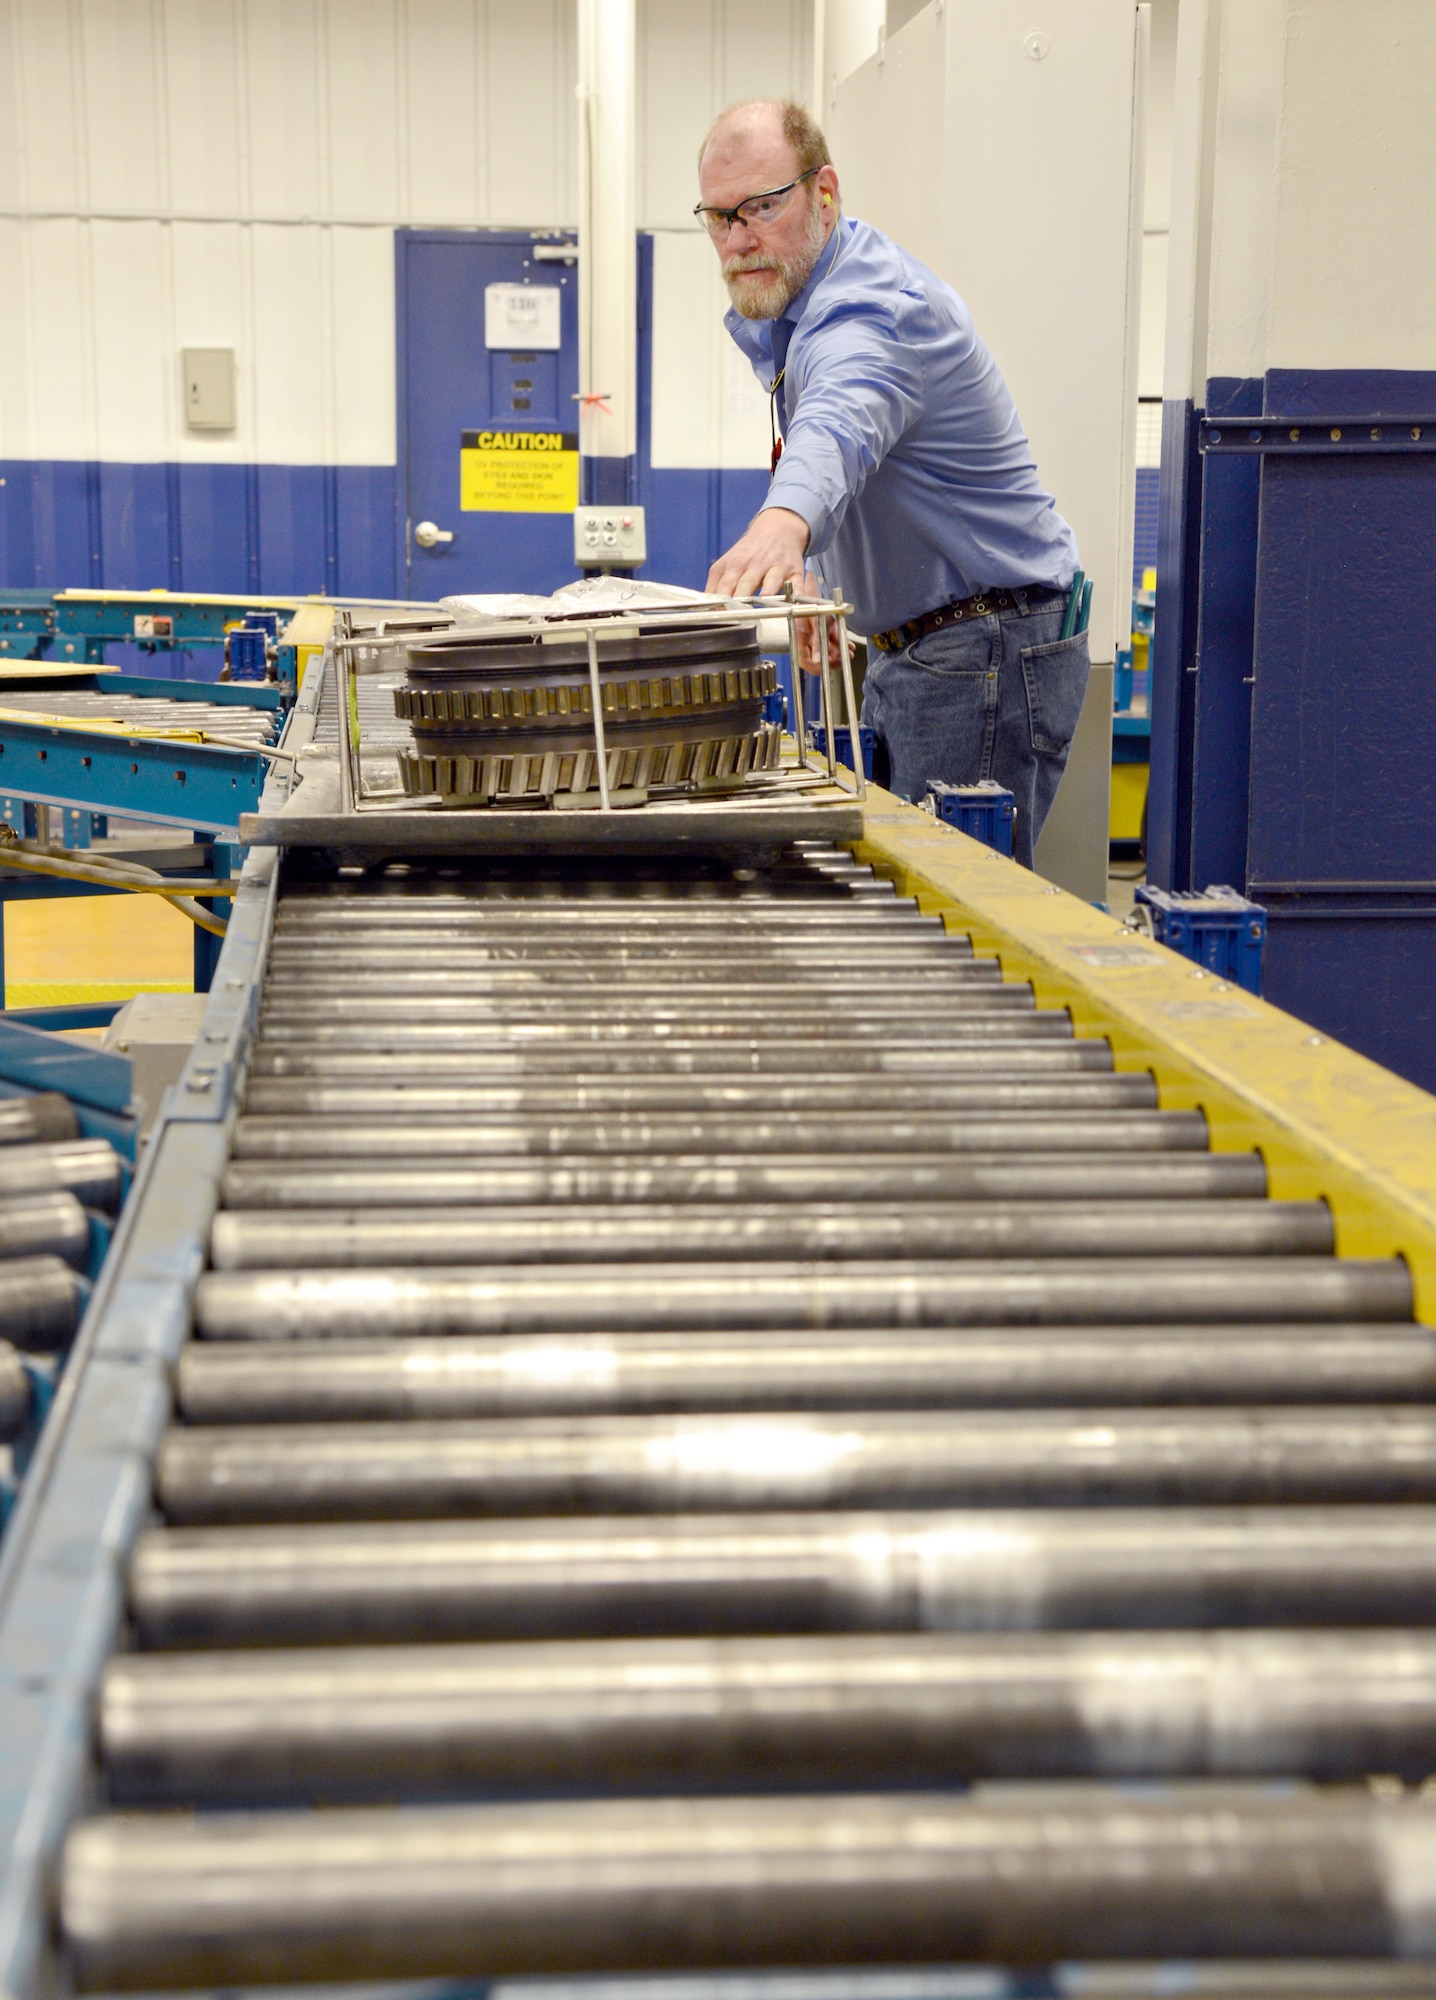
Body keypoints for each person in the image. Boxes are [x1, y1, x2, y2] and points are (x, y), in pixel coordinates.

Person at [699, 98, 1087, 869]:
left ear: (825, 193)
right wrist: (823, 568)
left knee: (955, 916)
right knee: (914, 892)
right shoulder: (809, 306)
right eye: (719, 218)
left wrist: (784, 523)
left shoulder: (876, 313)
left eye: (763, 208)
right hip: (928, 648)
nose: (740, 240)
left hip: (985, 649)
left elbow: (842, 422)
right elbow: (872, 459)